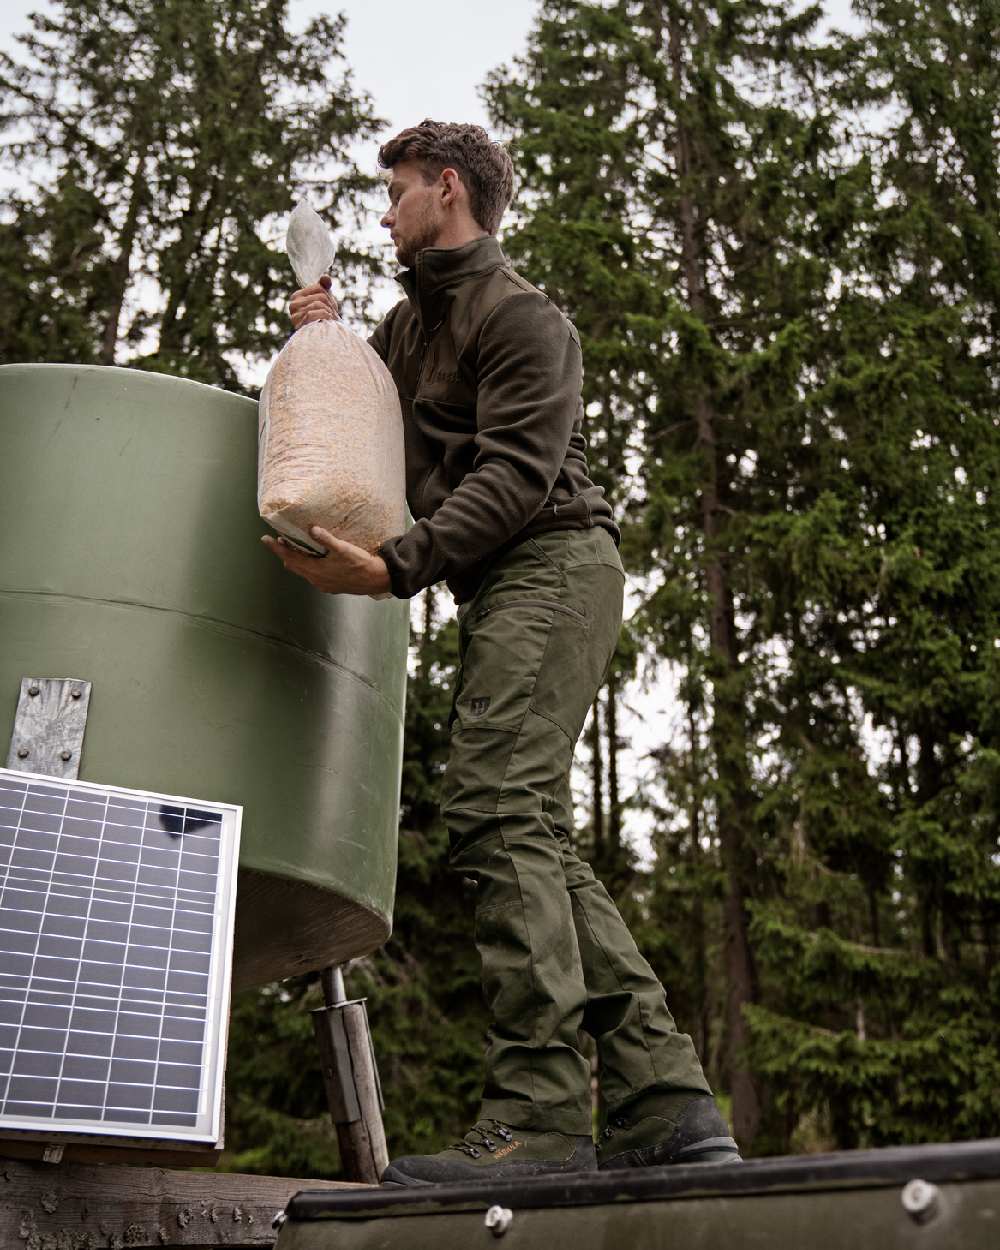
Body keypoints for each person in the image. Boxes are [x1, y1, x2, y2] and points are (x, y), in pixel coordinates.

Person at [268, 119, 740, 1186]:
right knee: (529, 828)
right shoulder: (404, 328)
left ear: (447, 189)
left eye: (396, 193)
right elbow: (358, 425)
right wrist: (324, 332)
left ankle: (536, 1112)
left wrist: (395, 568)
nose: (383, 212)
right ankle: (665, 1100)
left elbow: (514, 477)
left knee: (489, 802)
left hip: (556, 563)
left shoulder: (523, 317)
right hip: (501, 584)